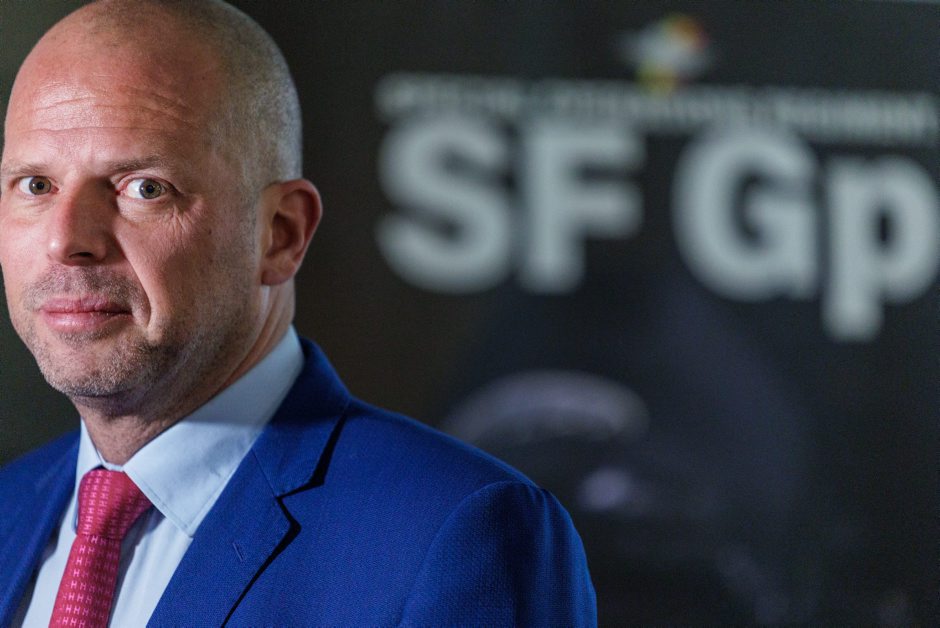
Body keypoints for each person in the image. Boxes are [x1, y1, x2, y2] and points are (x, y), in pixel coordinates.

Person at [0, 0, 595, 625]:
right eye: (35, 185)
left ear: (281, 233)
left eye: (145, 188)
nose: (66, 240)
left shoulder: (459, 535)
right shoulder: (9, 509)